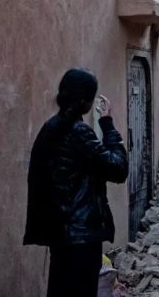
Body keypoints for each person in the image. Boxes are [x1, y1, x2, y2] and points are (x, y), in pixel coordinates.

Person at [23, 69, 128, 297]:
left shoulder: (50, 128)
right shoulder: (79, 132)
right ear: (87, 102)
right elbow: (118, 169)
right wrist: (108, 124)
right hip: (81, 237)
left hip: (60, 234)